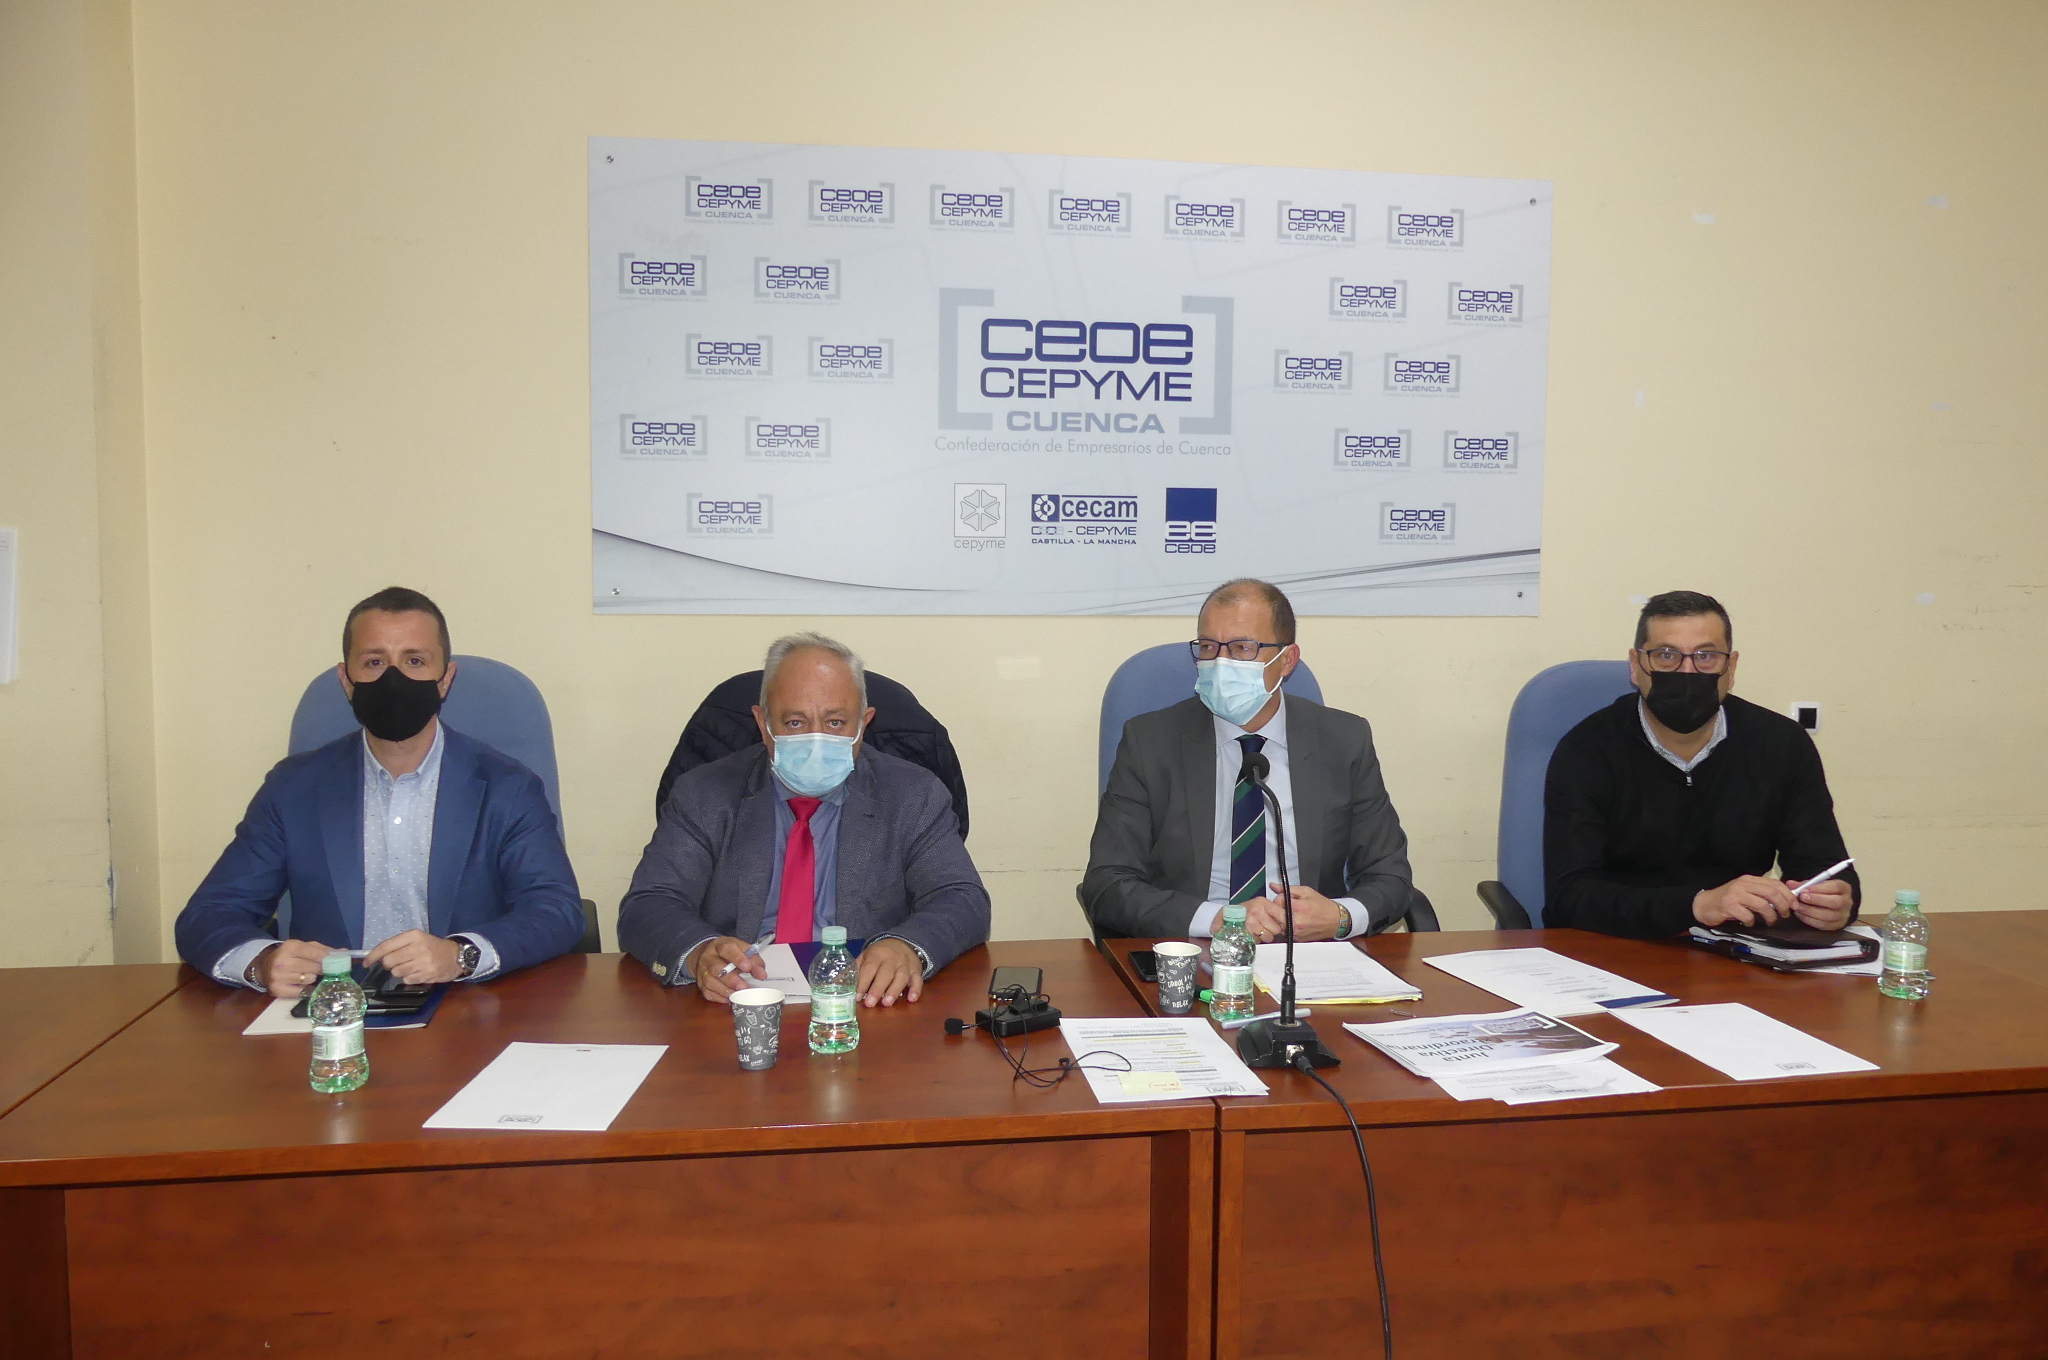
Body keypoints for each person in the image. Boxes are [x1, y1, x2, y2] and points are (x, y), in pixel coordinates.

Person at [175, 587, 586, 996]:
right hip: (331, 1008)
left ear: (445, 679)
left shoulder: (507, 787)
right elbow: (209, 914)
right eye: (374, 662)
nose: (394, 678)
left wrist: (461, 955)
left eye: (414, 660)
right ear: (346, 680)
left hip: (463, 1004)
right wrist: (261, 962)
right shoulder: (293, 788)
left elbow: (556, 910)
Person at [619, 632, 990, 1006]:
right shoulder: (704, 793)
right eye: (795, 722)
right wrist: (700, 952)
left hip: (862, 1002)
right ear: (763, 723)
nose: (816, 740)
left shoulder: (913, 794)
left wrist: (906, 946)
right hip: (738, 1000)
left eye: (835, 722)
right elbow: (649, 902)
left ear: (864, 723)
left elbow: (961, 897)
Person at [1082, 578, 1415, 943]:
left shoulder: (1344, 740)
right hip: (1196, 947)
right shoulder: (1150, 742)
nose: (1220, 663)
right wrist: (1215, 920)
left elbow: (1391, 877)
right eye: (1208, 647)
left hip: (1309, 952)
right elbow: (1107, 883)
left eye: (1242, 648)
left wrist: (1341, 916)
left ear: (1286, 660)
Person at [1544, 589, 1859, 939]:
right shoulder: (1587, 750)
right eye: (1666, 656)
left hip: (1739, 947)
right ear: (1635, 665)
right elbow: (1568, 898)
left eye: (1706, 656)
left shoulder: (1782, 745)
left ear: (1731, 667)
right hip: (1618, 946)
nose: (1687, 671)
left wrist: (1835, 902)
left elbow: (1824, 866)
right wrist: (1697, 905)